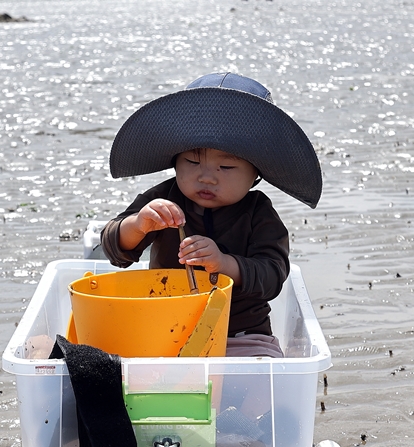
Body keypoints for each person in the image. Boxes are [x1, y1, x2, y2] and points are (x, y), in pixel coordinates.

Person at [101, 72, 322, 358]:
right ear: (174, 162)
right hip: (166, 328)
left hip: (240, 333)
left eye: (226, 167)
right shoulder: (164, 197)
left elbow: (272, 276)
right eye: (192, 162)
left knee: (261, 376)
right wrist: (138, 225)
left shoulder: (259, 212)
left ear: (256, 174)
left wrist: (224, 263)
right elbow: (114, 248)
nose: (206, 177)